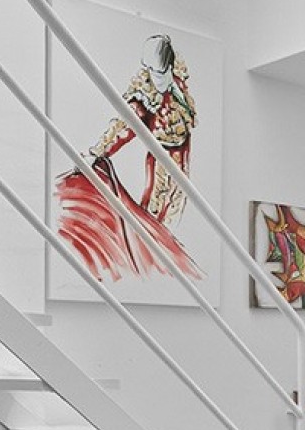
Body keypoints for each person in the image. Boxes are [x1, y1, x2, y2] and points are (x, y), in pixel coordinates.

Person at [56, 34, 204, 282]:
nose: (156, 78)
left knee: (175, 208)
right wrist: (97, 152)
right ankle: (154, 264)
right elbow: (123, 126)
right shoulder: (144, 95)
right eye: (152, 72)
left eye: (161, 72)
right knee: (156, 213)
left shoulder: (178, 82)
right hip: (161, 161)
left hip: (182, 160)